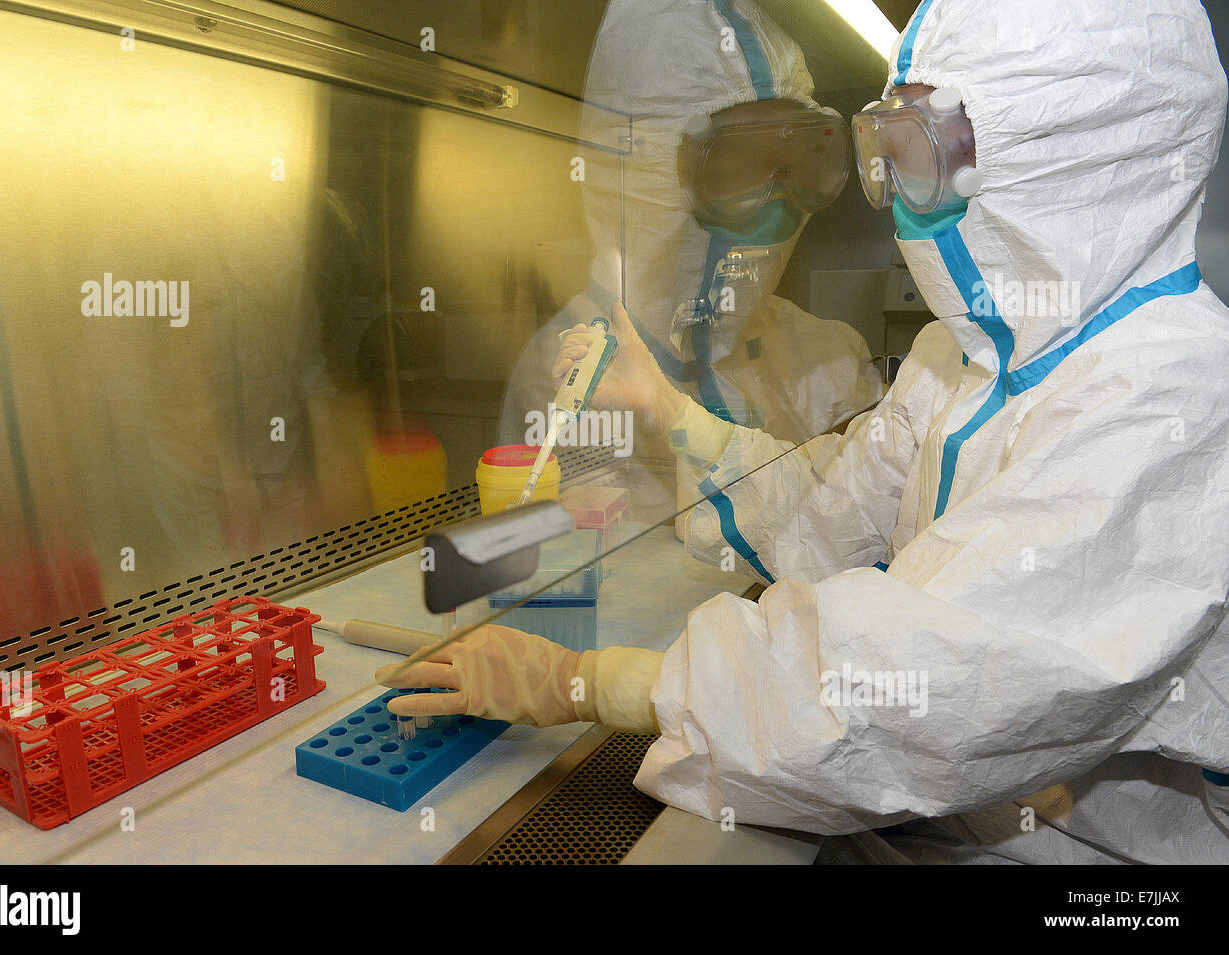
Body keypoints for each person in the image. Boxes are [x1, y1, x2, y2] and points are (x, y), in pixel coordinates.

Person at [381, 0, 1229, 864]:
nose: (896, 206)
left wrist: (595, 680)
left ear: (1073, 153)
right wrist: (675, 414)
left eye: (921, 157)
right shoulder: (963, 361)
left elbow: (913, 692)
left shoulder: (1175, 399)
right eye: (881, 156)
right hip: (970, 821)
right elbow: (830, 516)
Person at [497, 0, 882, 493]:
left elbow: (858, 533)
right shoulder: (561, 376)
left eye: (794, 164)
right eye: (738, 164)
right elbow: (563, 552)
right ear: (641, 173)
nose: (776, 204)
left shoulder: (826, 360)